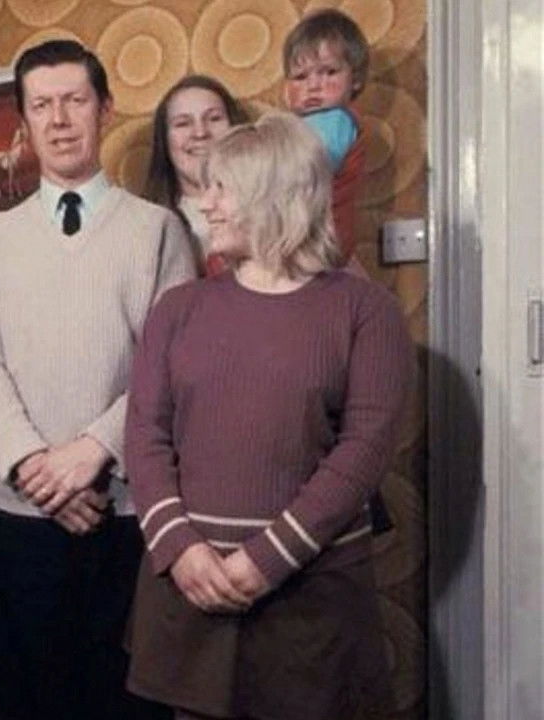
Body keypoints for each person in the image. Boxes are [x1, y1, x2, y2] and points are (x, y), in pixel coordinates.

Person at [123, 112, 411, 720]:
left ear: (277, 192)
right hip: (191, 593)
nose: (206, 203)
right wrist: (180, 548)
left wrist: (265, 559)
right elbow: (144, 436)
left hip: (310, 604)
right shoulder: (178, 309)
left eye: (222, 188)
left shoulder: (365, 311)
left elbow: (362, 452)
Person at [0, 39, 195, 720]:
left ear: (105, 109)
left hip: (123, 512)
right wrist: (36, 469)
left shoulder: (158, 231)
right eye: (41, 106)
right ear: (24, 123)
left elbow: (172, 364)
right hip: (18, 517)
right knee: (28, 700)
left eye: (74, 101)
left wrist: (93, 452)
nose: (59, 120)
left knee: (124, 700)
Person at [283, 8, 370, 264]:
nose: (313, 85)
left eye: (329, 72)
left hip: (320, 239)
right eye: (300, 77)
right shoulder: (306, 122)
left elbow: (307, 170)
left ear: (355, 79)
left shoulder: (334, 120)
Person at [143, 75, 247, 274]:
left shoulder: (271, 211)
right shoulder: (144, 224)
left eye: (214, 119)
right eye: (183, 123)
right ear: (164, 141)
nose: (200, 133)